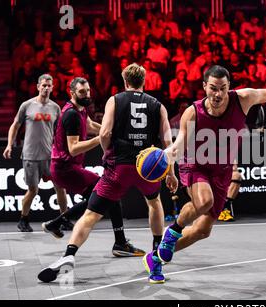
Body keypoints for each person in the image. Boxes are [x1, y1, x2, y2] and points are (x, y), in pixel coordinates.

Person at [142, 65, 266, 283]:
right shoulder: (193, 112)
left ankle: (155, 258)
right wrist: (166, 158)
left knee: (203, 230)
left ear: (229, 87)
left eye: (223, 88)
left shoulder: (242, 99)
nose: (218, 94)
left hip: (222, 170)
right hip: (196, 164)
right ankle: (173, 231)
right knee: (204, 201)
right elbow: (179, 146)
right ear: (204, 86)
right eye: (213, 88)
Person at [38, 64, 178, 283]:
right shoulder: (157, 105)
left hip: (118, 167)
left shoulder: (115, 100)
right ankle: (157, 260)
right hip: (147, 168)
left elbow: (105, 132)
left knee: (91, 214)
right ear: (144, 81)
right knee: (154, 203)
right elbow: (169, 143)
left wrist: (107, 154)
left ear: (125, 82)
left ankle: (69, 254)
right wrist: (170, 172)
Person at [41, 77, 144, 258]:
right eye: (82, 92)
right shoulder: (71, 115)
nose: (87, 94)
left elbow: (90, 125)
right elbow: (73, 149)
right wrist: (101, 138)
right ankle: (120, 243)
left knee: (101, 199)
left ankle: (55, 224)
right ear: (71, 93)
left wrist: (109, 130)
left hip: (68, 167)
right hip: (65, 169)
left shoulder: (80, 110)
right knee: (107, 194)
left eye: (88, 91)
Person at [3, 74, 68, 232]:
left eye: (49, 86)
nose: (46, 88)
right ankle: (23, 220)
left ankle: (64, 219)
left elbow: (60, 132)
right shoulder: (27, 105)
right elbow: (15, 125)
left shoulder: (55, 108)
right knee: (33, 190)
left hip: (50, 156)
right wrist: (9, 145)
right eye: (43, 85)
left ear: (52, 88)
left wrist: (63, 149)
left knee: (60, 187)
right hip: (30, 156)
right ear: (38, 87)